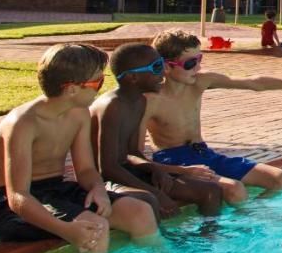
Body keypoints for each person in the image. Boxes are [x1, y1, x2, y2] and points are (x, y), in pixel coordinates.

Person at [0, 43, 160, 253]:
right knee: (94, 228)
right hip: (13, 207)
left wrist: (98, 188)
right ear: (72, 89)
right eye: (98, 82)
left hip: (57, 191)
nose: (102, 87)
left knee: (140, 211)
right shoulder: (24, 123)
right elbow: (18, 197)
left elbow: (86, 170)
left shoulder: (78, 114)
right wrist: (66, 230)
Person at [144, 30, 282, 202]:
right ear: (167, 67)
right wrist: (179, 172)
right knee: (235, 189)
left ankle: (252, 221)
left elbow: (254, 82)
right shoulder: (151, 100)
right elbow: (135, 156)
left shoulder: (200, 82)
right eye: (191, 63)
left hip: (204, 153)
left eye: (200, 59)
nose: (198, 68)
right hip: (173, 160)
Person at [90, 43, 224, 218]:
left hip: (128, 171)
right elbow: (107, 168)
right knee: (153, 201)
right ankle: (169, 243)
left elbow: (131, 153)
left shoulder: (139, 102)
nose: (163, 72)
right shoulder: (112, 106)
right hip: (105, 181)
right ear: (132, 77)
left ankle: (204, 242)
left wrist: (156, 170)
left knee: (211, 191)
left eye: (161, 64)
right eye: (156, 67)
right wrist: (157, 193)